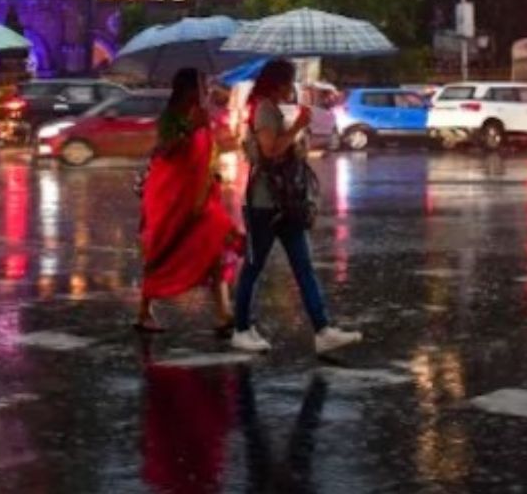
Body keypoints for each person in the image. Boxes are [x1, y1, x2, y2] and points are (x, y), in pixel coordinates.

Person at [230, 59, 362, 355]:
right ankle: (240, 329)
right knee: (253, 267)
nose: (292, 88)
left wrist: (298, 136)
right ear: (277, 83)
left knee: (303, 267)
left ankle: (322, 329)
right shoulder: (264, 108)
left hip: (284, 202)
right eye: (289, 82)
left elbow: (282, 148)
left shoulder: (271, 108)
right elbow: (270, 151)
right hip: (264, 204)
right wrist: (297, 127)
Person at [136, 67, 240, 335]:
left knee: (215, 248)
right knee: (162, 251)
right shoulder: (171, 118)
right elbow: (165, 150)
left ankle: (223, 313)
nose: (205, 91)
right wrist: (190, 128)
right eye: (200, 86)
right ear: (187, 89)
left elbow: (208, 152)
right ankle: (144, 311)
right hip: (172, 197)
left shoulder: (204, 116)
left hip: (201, 197)